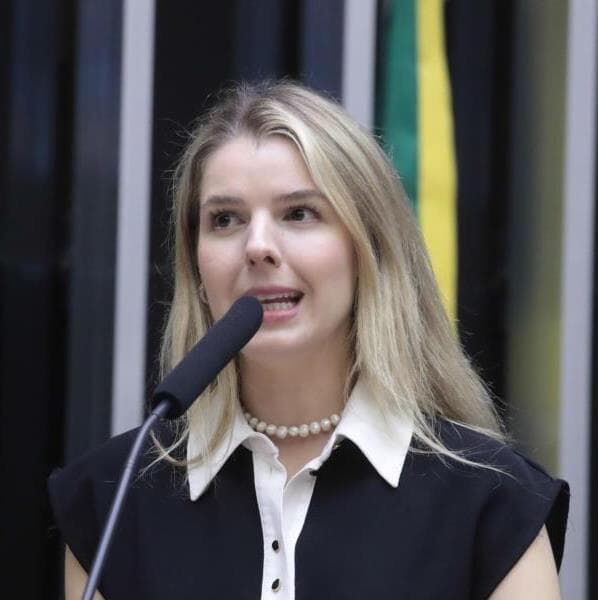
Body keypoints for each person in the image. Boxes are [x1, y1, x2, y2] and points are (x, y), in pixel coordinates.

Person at [49, 80, 568, 600]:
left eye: (299, 213)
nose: (257, 247)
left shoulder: (496, 503)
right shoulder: (109, 501)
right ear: (197, 267)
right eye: (225, 220)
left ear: (368, 249)